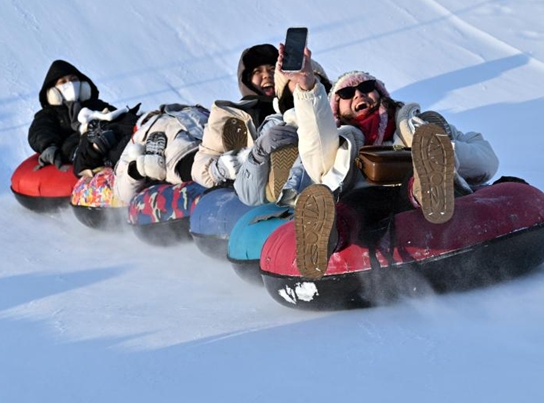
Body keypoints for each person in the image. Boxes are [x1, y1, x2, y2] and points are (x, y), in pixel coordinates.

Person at [286, 51, 499, 278]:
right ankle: (326, 236)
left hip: (414, 196)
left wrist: (444, 150)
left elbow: (487, 161)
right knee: (354, 206)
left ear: (380, 93)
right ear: (337, 108)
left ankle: (428, 189)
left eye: (367, 87)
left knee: (416, 178)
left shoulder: (419, 125)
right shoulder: (337, 141)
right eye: (347, 93)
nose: (359, 94)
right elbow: (315, 143)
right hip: (365, 201)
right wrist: (308, 89)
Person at [233, 44, 332, 207]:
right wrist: (259, 153)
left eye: (313, 79)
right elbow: (249, 196)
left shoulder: (340, 120)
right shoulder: (274, 125)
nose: (304, 80)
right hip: (277, 207)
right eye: (295, 78)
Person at [191, 44, 280, 189]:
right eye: (257, 71)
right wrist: (218, 170)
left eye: (272, 69)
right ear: (246, 79)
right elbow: (201, 163)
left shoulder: (295, 106)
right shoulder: (226, 114)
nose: (267, 75)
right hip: (247, 189)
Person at [28, 59, 138, 177]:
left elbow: (117, 117)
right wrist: (49, 146)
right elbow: (40, 131)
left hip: (107, 137)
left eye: (74, 80)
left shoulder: (96, 105)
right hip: (76, 147)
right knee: (72, 145)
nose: (70, 84)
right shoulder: (49, 113)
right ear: (54, 90)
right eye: (63, 82)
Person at [112, 103, 210, 204]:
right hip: (189, 150)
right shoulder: (196, 113)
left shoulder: (142, 132)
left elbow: (123, 193)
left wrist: (136, 171)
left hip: (181, 155)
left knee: (183, 169)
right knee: (186, 168)